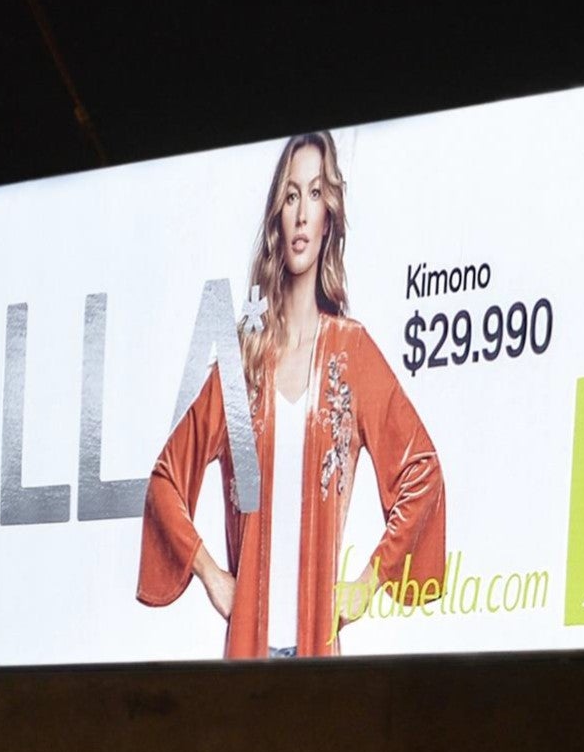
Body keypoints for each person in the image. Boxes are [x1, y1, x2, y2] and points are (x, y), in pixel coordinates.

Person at [137, 131, 446, 658]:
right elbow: (166, 479)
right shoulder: (244, 359)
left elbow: (422, 471)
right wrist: (212, 574)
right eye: (291, 195)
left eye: (316, 193)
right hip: (248, 653)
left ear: (331, 214)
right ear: (278, 215)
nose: (302, 213)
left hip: (318, 661)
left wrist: (367, 583)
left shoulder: (352, 352)